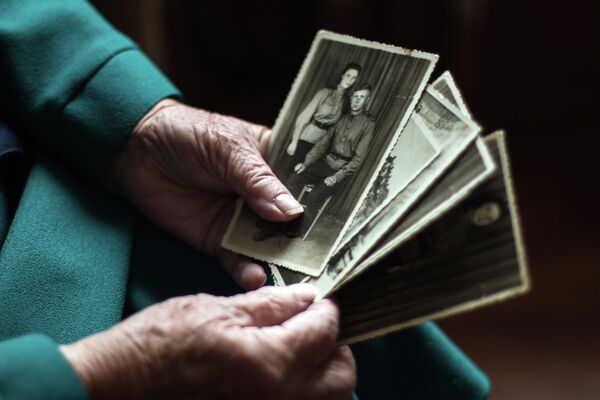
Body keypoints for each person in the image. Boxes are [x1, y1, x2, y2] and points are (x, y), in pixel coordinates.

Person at [0, 1, 491, 399]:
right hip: (47, 338)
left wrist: (127, 120)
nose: (352, 97)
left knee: (354, 295)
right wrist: (102, 373)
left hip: (65, 151)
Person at [286, 82, 375, 237]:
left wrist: (337, 177)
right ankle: (285, 218)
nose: (357, 101)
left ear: (366, 101)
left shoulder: (367, 124)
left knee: (313, 196)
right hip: (324, 163)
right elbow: (322, 144)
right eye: (355, 96)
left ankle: (299, 229)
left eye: (362, 97)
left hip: (339, 171)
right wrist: (306, 163)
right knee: (294, 178)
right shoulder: (340, 119)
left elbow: (358, 158)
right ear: (351, 97)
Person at [285, 63, 361, 170]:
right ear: (342, 75)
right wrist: (294, 141)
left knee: (297, 176)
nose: (349, 80)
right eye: (348, 75)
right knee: (284, 171)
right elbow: (304, 117)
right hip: (305, 138)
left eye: (353, 78)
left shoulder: (346, 101)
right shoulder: (325, 92)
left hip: (319, 146)